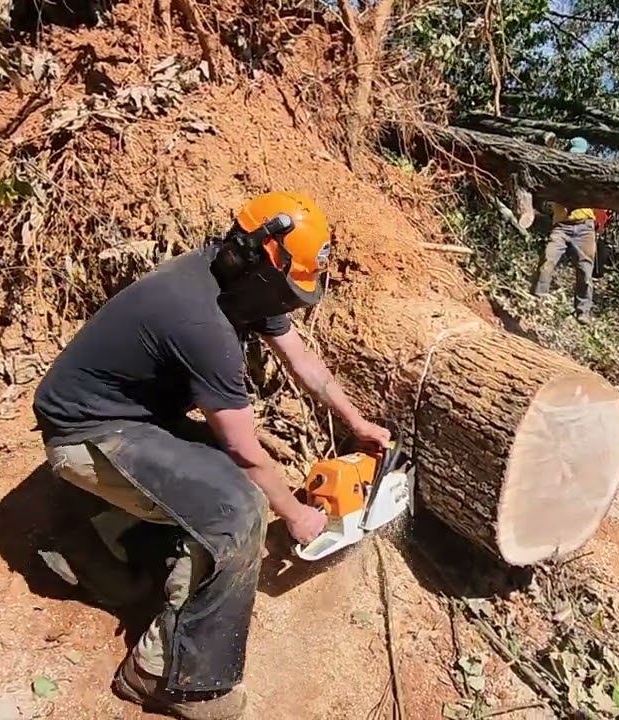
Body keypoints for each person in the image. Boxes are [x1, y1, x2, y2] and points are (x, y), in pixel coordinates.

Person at [30, 191, 391, 720]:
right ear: (260, 264)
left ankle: (96, 546)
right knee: (237, 509)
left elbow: (302, 363)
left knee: (220, 482)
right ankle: (167, 677)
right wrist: (296, 518)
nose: (291, 303)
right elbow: (244, 453)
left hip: (133, 418)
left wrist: (357, 421)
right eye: (288, 290)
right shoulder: (202, 323)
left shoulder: (239, 283)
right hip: (88, 436)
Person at [532, 136, 599, 323]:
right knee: (548, 258)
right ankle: (538, 296)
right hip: (561, 225)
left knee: (585, 271)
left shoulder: (592, 174)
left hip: (585, 227)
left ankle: (583, 311)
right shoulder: (556, 170)